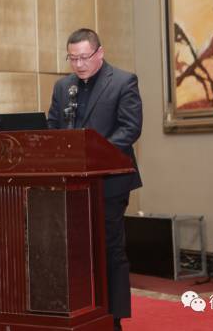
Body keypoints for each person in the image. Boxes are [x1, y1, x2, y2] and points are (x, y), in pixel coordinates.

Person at [47, 28, 142, 331]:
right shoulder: (63, 87)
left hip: (110, 183)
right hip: (71, 186)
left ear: (100, 53)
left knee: (109, 251)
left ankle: (113, 319)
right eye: (72, 58)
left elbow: (130, 128)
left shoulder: (123, 81)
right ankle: (80, 313)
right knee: (74, 252)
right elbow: (52, 127)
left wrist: (94, 154)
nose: (79, 64)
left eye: (84, 57)